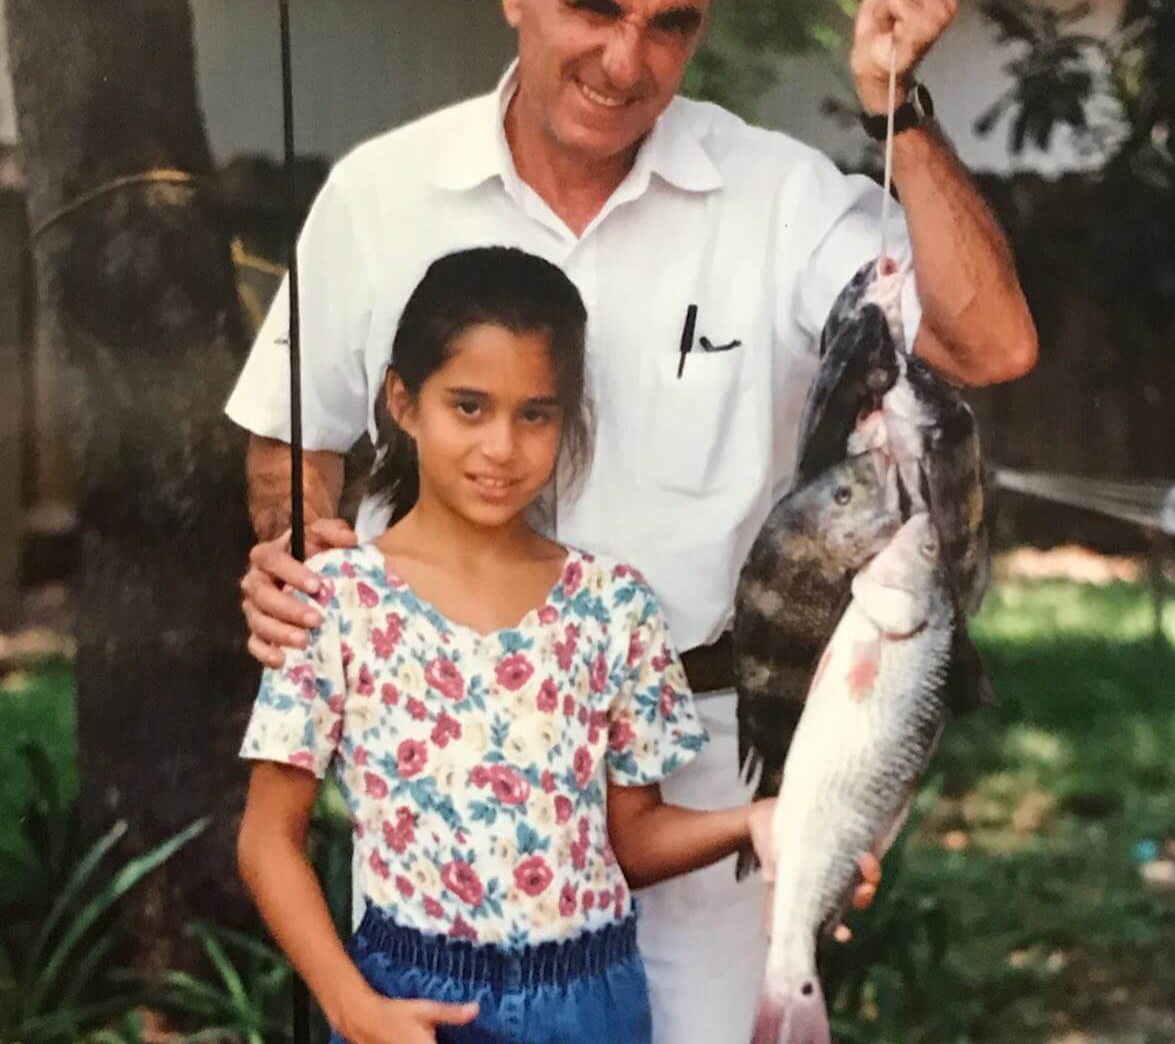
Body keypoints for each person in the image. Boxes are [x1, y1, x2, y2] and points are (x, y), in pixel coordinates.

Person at [228, 0, 1037, 1040]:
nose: (625, 59)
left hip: (713, 750)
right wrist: (306, 566)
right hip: (455, 789)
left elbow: (989, 346)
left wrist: (898, 108)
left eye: (670, 24)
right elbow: (292, 442)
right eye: (592, 7)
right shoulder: (379, 193)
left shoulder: (777, 195)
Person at [238, 246, 774, 1044]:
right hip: (410, 1001)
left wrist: (758, 820)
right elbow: (267, 839)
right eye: (469, 407)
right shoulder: (336, 598)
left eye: (535, 414)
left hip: (594, 1005)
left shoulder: (612, 604)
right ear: (403, 402)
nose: (502, 448)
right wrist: (352, 1005)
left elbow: (632, 838)